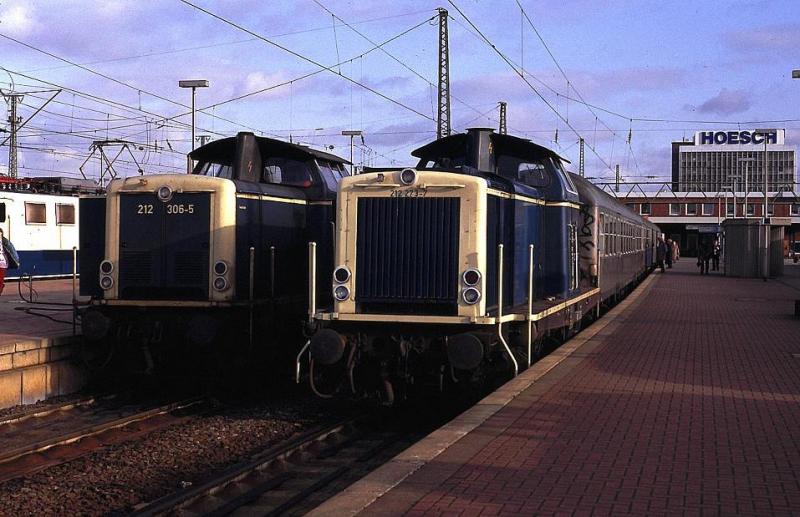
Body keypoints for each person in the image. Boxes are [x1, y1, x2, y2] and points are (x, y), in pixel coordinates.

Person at [0, 228, 20, 295]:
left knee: (0, 279)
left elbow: (12, 251)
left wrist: (16, 261)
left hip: (2, 263)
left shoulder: (5, 242)